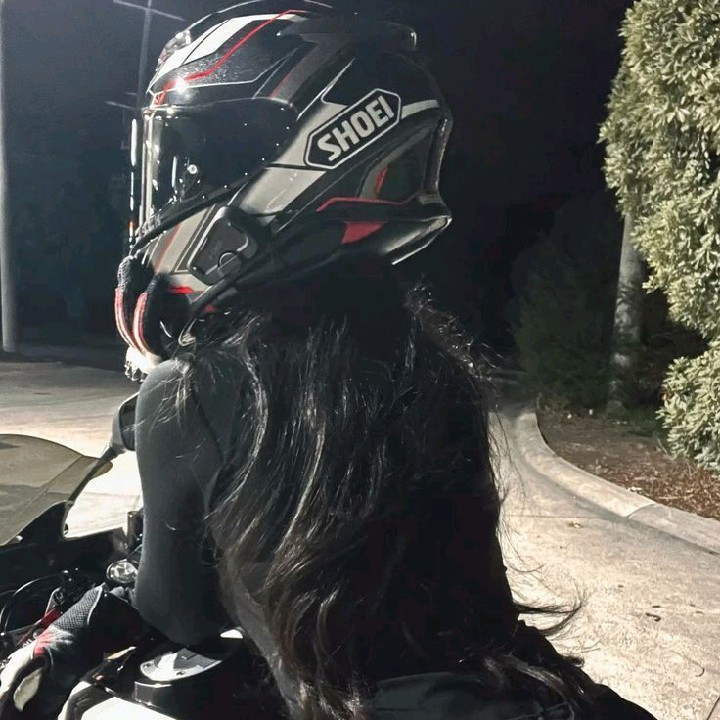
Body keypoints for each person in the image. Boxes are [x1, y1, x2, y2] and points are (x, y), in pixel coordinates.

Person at [1, 2, 659, 719]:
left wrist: (77, 625)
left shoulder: (191, 392)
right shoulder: (436, 369)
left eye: (201, 160)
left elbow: (176, 610)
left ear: (298, 158)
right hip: (529, 691)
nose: (182, 191)